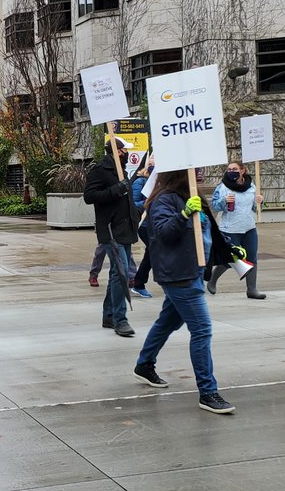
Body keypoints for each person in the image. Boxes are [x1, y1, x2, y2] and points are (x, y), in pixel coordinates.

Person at [132, 169, 235, 414]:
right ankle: (207, 391)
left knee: (167, 322)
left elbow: (206, 235)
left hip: (192, 271)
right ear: (180, 174)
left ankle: (144, 364)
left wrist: (231, 251)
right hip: (179, 275)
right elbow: (164, 233)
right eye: (194, 171)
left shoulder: (191, 195)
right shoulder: (165, 199)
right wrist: (184, 213)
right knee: (201, 329)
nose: (198, 175)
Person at [84, 139, 138, 337]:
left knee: (117, 271)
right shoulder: (100, 171)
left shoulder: (122, 171)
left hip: (125, 230)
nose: (126, 153)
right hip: (111, 230)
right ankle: (119, 319)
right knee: (121, 272)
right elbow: (89, 196)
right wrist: (117, 189)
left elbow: (126, 200)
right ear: (116, 151)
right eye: (124, 149)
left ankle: (109, 315)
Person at [208, 161, 266, 299]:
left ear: (242, 170)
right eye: (229, 169)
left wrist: (260, 202)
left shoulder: (251, 186)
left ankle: (251, 289)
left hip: (249, 228)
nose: (231, 171)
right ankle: (212, 280)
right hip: (230, 229)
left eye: (234, 169)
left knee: (252, 258)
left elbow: (255, 208)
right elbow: (214, 207)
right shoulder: (222, 187)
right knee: (231, 259)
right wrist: (223, 201)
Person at [130, 154, 155, 299]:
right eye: (153, 157)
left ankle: (139, 282)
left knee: (154, 253)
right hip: (145, 224)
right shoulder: (141, 181)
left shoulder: (165, 181)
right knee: (153, 251)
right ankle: (139, 283)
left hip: (160, 222)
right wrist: (147, 203)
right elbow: (132, 205)